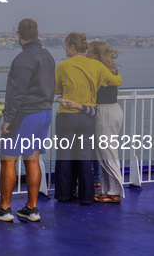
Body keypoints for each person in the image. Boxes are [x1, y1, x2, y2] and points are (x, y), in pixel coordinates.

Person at [0, 19, 55, 222]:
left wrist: (8, 119)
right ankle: (31, 208)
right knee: (32, 159)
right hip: (44, 113)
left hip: (25, 114)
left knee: (8, 160)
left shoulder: (23, 59)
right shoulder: (48, 56)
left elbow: (17, 92)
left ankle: (4, 208)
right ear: (38, 33)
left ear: (18, 35)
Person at [54, 33, 122, 205]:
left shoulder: (63, 66)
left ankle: (64, 194)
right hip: (87, 117)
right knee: (85, 158)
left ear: (71, 47)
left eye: (66, 45)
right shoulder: (96, 66)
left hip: (66, 116)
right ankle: (86, 196)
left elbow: (56, 90)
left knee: (64, 157)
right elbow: (116, 80)